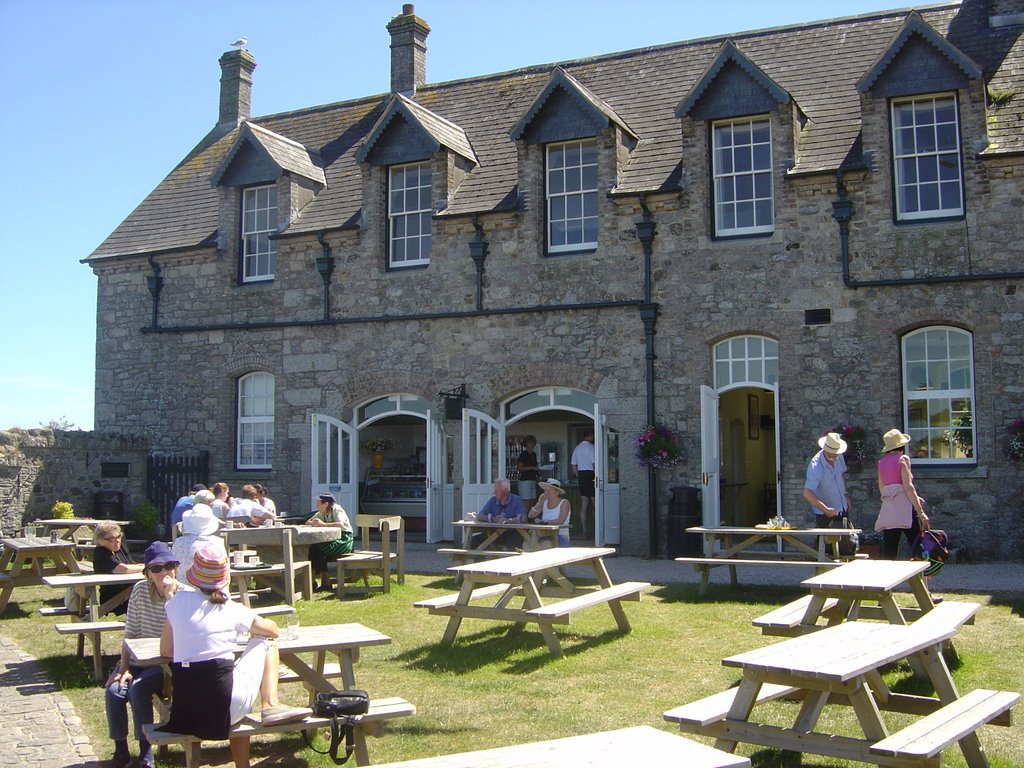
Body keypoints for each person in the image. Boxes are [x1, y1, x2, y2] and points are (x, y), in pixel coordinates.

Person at [158, 545, 310, 768]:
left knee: (231, 679)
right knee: (265, 643)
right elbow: (273, 630)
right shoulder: (231, 608)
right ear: (224, 579)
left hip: (187, 708)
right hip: (225, 704)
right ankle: (270, 704)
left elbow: (166, 651)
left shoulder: (176, 603)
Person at [105, 542, 185, 768]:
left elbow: (180, 637)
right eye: (156, 568)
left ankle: (145, 752)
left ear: (176, 568)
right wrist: (123, 669)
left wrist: (170, 598)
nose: (164, 572)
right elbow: (129, 634)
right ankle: (120, 751)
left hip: (164, 664)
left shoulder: (184, 595)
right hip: (136, 658)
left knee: (139, 688)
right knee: (114, 691)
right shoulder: (140, 590)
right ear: (148, 573)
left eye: (169, 566)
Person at [876, 429, 930, 560]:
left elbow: (882, 488)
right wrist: (921, 512)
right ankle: (921, 577)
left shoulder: (881, 463)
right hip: (905, 507)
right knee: (916, 545)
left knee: (890, 550)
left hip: (889, 507)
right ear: (901, 446)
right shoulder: (903, 459)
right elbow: (908, 487)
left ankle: (888, 579)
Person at [93, 521, 144, 613]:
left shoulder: (119, 548)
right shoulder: (100, 553)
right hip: (114, 598)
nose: (117, 541)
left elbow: (131, 564)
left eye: (119, 537)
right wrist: (147, 568)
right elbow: (124, 569)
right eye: (111, 539)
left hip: (128, 592)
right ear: (101, 541)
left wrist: (145, 566)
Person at [307, 493, 355, 591]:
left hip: (344, 540)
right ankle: (322, 582)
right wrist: (314, 522)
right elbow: (308, 522)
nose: (317, 506)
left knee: (317, 549)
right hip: (331, 540)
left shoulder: (337, 509)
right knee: (315, 549)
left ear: (326, 504)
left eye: (319, 503)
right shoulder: (322, 512)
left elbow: (341, 525)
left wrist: (323, 524)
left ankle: (317, 581)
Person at [802, 432, 851, 528]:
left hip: (842, 508)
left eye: (836, 454)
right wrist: (826, 510)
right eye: (830, 455)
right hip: (825, 515)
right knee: (826, 542)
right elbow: (807, 493)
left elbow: (841, 474)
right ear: (824, 449)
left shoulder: (839, 455)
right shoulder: (815, 466)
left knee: (847, 541)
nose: (834, 457)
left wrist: (846, 494)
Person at [171, 502, 226, 571]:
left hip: (182, 581)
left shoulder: (179, 542)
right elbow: (224, 567)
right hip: (212, 580)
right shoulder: (218, 542)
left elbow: (172, 565)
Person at [474, 478, 527, 550]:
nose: (494, 492)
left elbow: (524, 518)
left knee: (513, 546)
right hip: (494, 533)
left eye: (497, 489)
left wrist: (508, 520)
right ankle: (479, 560)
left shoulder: (516, 500)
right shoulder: (493, 500)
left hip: (512, 533)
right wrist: (493, 519)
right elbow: (480, 516)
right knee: (473, 541)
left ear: (505, 491)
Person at [527, 478, 571, 547]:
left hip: (560, 536)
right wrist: (540, 502)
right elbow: (530, 515)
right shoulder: (544, 502)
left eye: (550, 490)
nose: (547, 492)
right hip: (544, 535)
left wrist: (543, 522)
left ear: (557, 492)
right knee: (530, 541)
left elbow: (560, 521)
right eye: (546, 490)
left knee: (544, 544)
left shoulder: (564, 503)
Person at [570, 430, 595, 539]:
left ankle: (584, 530)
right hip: (591, 474)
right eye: (592, 436)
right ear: (589, 435)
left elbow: (573, 464)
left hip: (581, 475)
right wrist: (596, 476)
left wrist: (578, 476)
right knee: (596, 504)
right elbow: (594, 463)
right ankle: (600, 529)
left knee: (584, 504)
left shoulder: (577, 448)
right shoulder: (591, 447)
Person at [516, 436, 540, 510]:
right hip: (525, 481)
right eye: (530, 443)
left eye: (533, 443)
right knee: (526, 503)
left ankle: (530, 519)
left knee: (532, 503)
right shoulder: (524, 454)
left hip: (532, 479)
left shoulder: (534, 455)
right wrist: (531, 467)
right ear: (526, 444)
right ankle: (524, 519)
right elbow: (519, 468)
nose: (532, 445)